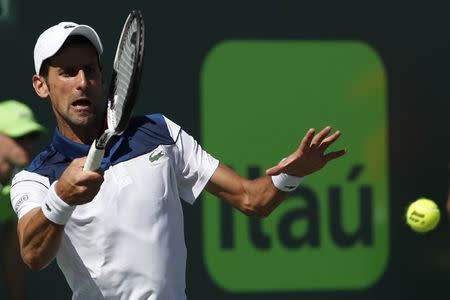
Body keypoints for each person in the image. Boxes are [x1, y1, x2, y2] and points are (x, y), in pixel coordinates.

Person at [11, 21, 346, 300]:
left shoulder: (159, 132)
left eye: (90, 70)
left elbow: (251, 198)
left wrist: (292, 175)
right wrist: (61, 198)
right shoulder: (35, 178)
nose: (82, 82)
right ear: (42, 86)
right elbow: (33, 256)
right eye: (68, 72)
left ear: (103, 78)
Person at [0, 100, 45, 300]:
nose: (27, 144)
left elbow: (12, 255)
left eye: (31, 136)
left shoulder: (21, 185)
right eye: (19, 137)